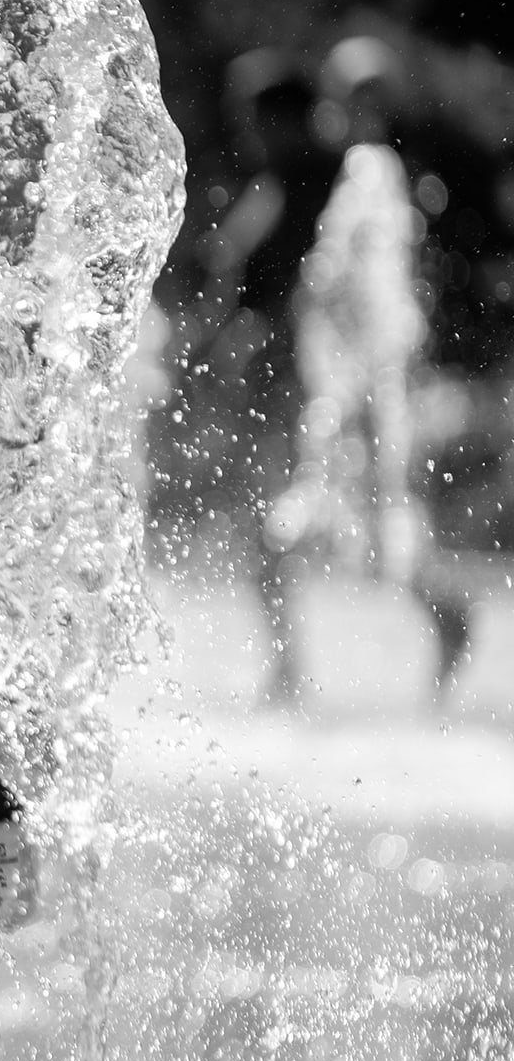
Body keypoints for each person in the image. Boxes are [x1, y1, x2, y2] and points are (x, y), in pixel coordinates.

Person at [197, 51, 345, 706]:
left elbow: (305, 293)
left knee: (279, 521)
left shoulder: (317, 183)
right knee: (267, 522)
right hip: (276, 386)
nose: (246, 129)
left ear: (286, 118)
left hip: (300, 389)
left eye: (255, 116)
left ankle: (291, 665)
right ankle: (287, 663)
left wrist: (253, 338)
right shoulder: (283, 179)